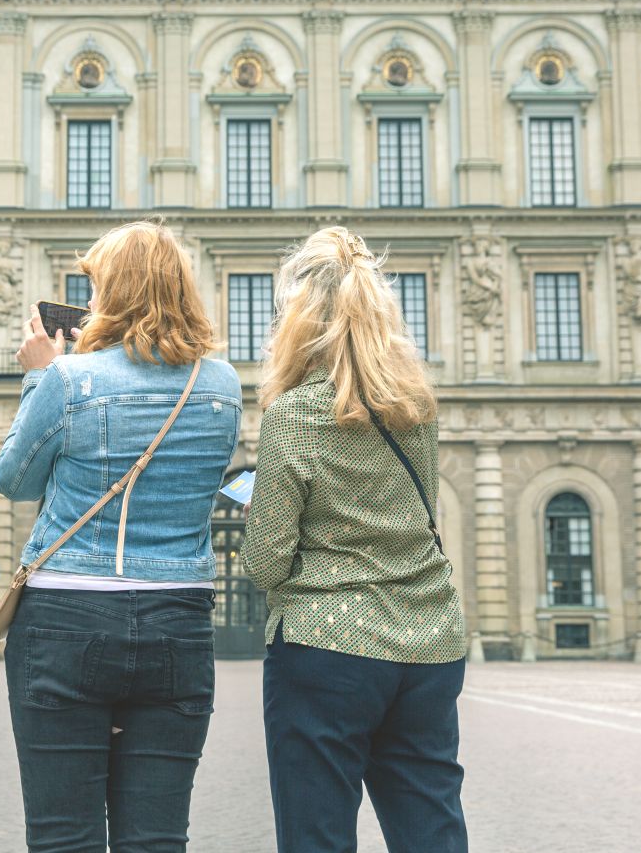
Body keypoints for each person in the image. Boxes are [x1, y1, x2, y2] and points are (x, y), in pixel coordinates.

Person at [0, 220, 243, 853]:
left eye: (98, 286)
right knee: (158, 838)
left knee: (63, 836)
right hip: (177, 618)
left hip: (64, 616)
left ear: (116, 293)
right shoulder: (222, 387)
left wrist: (40, 377)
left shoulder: (70, 382)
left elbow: (14, 479)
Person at [243, 227, 468, 853]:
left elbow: (265, 561)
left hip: (325, 646)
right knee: (431, 822)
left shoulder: (296, 413)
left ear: (301, 318)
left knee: (317, 832)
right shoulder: (416, 406)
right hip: (428, 643)